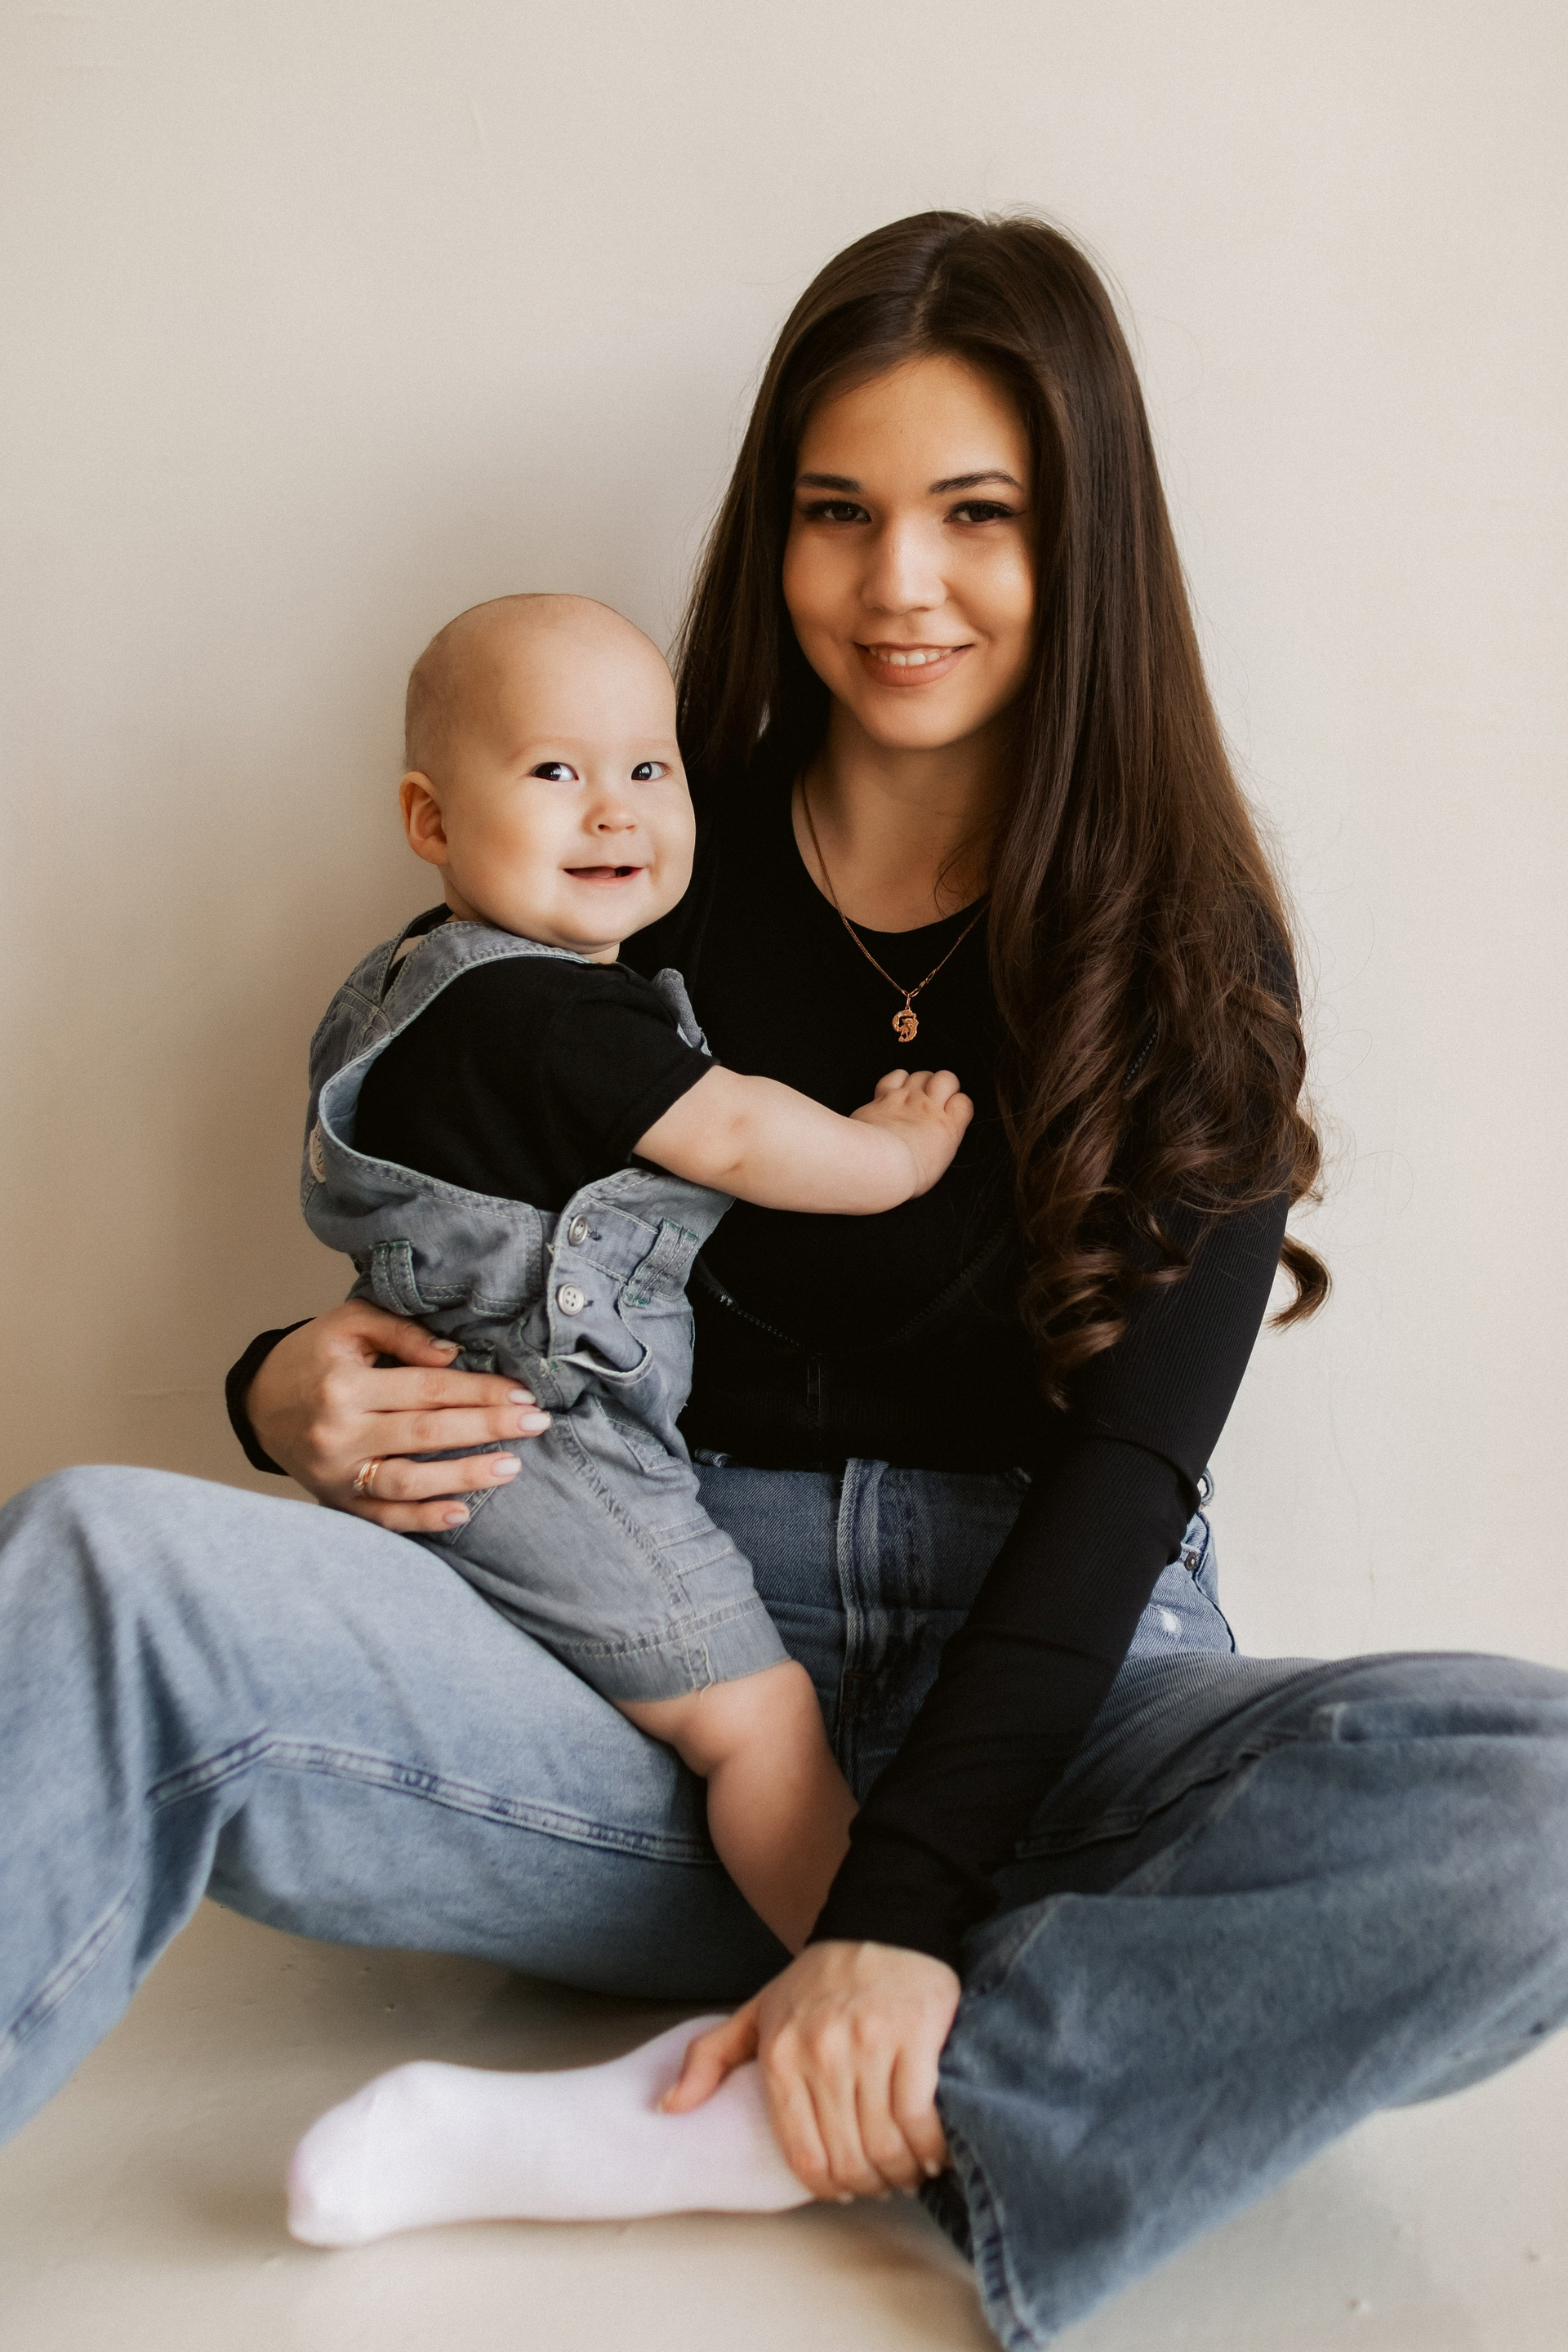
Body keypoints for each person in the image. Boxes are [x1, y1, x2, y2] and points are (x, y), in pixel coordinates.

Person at [3, 211, 1566, 2349]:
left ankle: (761, 2119)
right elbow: (443, 1189)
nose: (900, 582)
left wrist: (897, 1912)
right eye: (840, 513)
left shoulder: (1187, 942)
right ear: (777, 531)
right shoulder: (630, 840)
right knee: (94, 1564)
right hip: (643, 1688)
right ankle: (868, 2038)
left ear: (1084, 538)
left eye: (976, 514)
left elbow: (1128, 1474)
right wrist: (281, 1385)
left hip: (1057, 1697)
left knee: (1535, 1813)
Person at [299, 588, 971, 1956]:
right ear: (431, 821)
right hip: (551, 1444)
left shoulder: (410, 985)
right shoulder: (539, 1014)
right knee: (760, 1722)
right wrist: (892, 1156)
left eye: (649, 770)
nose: (615, 811)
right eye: (556, 772)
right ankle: (859, 1976)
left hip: (476, 1447)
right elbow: (737, 1133)